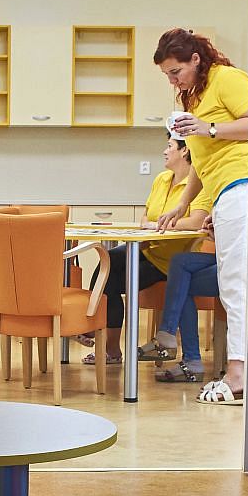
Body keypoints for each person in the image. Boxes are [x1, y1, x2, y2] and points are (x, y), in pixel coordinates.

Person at [153, 28, 248, 405]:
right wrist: (185, 204)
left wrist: (208, 127)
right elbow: (203, 161)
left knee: (235, 283)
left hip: (242, 183)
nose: (172, 81)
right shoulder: (194, 96)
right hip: (224, 192)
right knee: (233, 281)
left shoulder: (227, 78)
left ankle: (238, 375)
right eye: (167, 75)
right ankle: (240, 370)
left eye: (176, 72)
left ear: (196, 59)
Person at [80, 136, 212, 365]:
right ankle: (102, 337)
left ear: (185, 151)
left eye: (169, 146)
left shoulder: (198, 185)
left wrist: (158, 226)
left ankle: (101, 338)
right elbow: (145, 216)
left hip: (170, 262)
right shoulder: (161, 179)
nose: (164, 151)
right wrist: (150, 225)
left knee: (112, 280)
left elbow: (196, 221)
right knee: (108, 262)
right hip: (148, 250)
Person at [139, 220, 219, 383]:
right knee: (180, 264)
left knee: (182, 282)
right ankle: (171, 340)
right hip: (227, 257)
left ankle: (187, 356)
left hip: (242, 263)